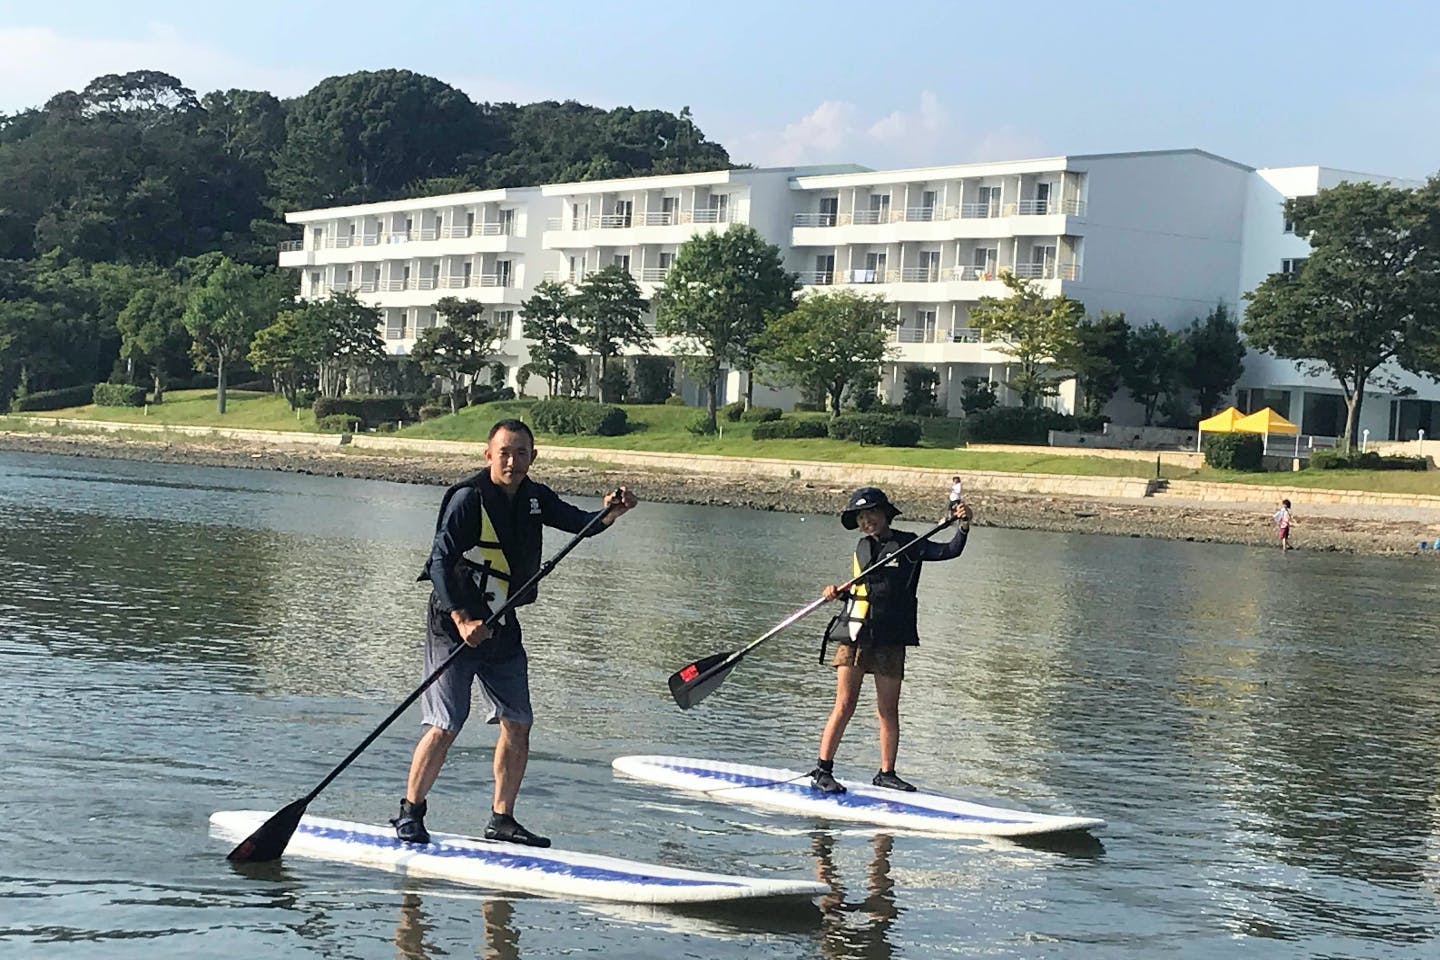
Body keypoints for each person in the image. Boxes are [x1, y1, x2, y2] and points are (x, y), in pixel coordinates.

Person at [393, 418, 637, 847]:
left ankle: (501, 820)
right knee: (447, 723)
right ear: (488, 455)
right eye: (504, 452)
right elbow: (439, 563)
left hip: (502, 626)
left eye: (521, 453)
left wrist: (611, 512)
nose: (512, 460)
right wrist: (462, 619)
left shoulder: (536, 498)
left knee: (518, 722)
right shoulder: (467, 500)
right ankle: (410, 812)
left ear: (533, 457)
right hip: (454, 626)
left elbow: (582, 523)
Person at [810, 487, 972, 794]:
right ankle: (822, 770)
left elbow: (950, 549)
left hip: (891, 637)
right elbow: (862, 591)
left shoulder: (908, 544)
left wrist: (963, 527)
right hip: (857, 634)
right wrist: (835, 592)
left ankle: (886, 773)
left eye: (871, 513)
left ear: (885, 514)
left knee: (888, 709)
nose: (866, 520)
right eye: (860, 516)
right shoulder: (860, 548)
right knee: (844, 704)